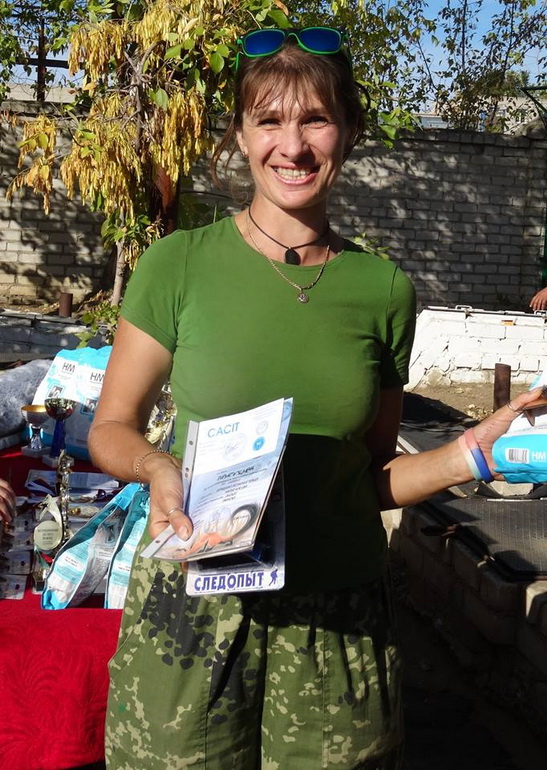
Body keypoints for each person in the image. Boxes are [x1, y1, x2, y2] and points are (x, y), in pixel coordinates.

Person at [88, 26, 543, 769]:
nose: (292, 146)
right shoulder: (178, 266)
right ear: (241, 134)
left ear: (349, 131)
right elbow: (111, 426)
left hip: (336, 621)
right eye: (269, 119)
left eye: (316, 119)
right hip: (197, 607)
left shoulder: (383, 290)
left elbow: (371, 479)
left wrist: (473, 451)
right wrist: (156, 466)